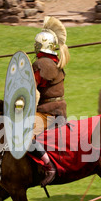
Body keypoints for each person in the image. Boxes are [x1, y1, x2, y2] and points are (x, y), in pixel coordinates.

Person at [30, 16, 70, 187]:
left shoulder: (40, 65)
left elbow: (30, 91)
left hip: (48, 113)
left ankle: (48, 165)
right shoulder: (56, 62)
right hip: (60, 112)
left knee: (23, 133)